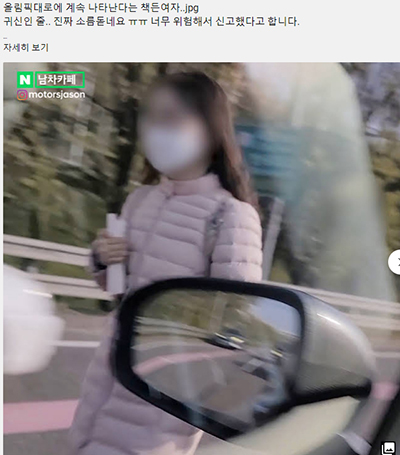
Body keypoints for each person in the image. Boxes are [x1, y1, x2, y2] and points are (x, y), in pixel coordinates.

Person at [69, 71, 263, 455]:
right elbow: (118, 291)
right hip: (105, 377)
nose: (157, 129)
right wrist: (102, 260)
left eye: (171, 117)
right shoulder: (140, 200)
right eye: (151, 117)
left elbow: (236, 319)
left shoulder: (232, 215)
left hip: (163, 397)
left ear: (210, 130)